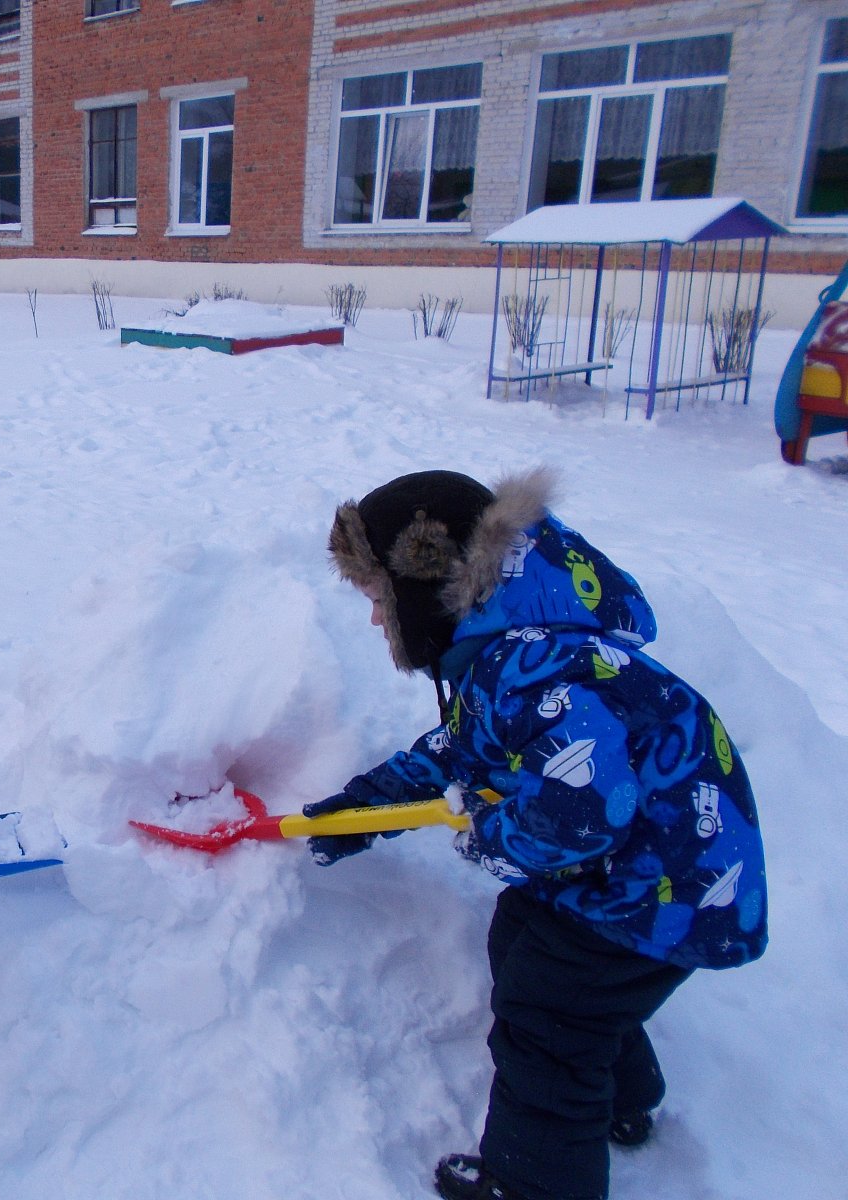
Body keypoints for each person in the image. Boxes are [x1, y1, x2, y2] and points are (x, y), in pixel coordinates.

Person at [305, 467, 767, 1200]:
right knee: (528, 940)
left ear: (423, 584)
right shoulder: (515, 652)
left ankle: (535, 1184)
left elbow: (584, 815)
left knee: (548, 1015)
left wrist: (487, 836)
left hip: (668, 882)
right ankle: (618, 1099)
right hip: (649, 868)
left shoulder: (534, 668)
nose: (374, 621)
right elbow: (465, 748)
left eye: (377, 599)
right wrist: (366, 805)